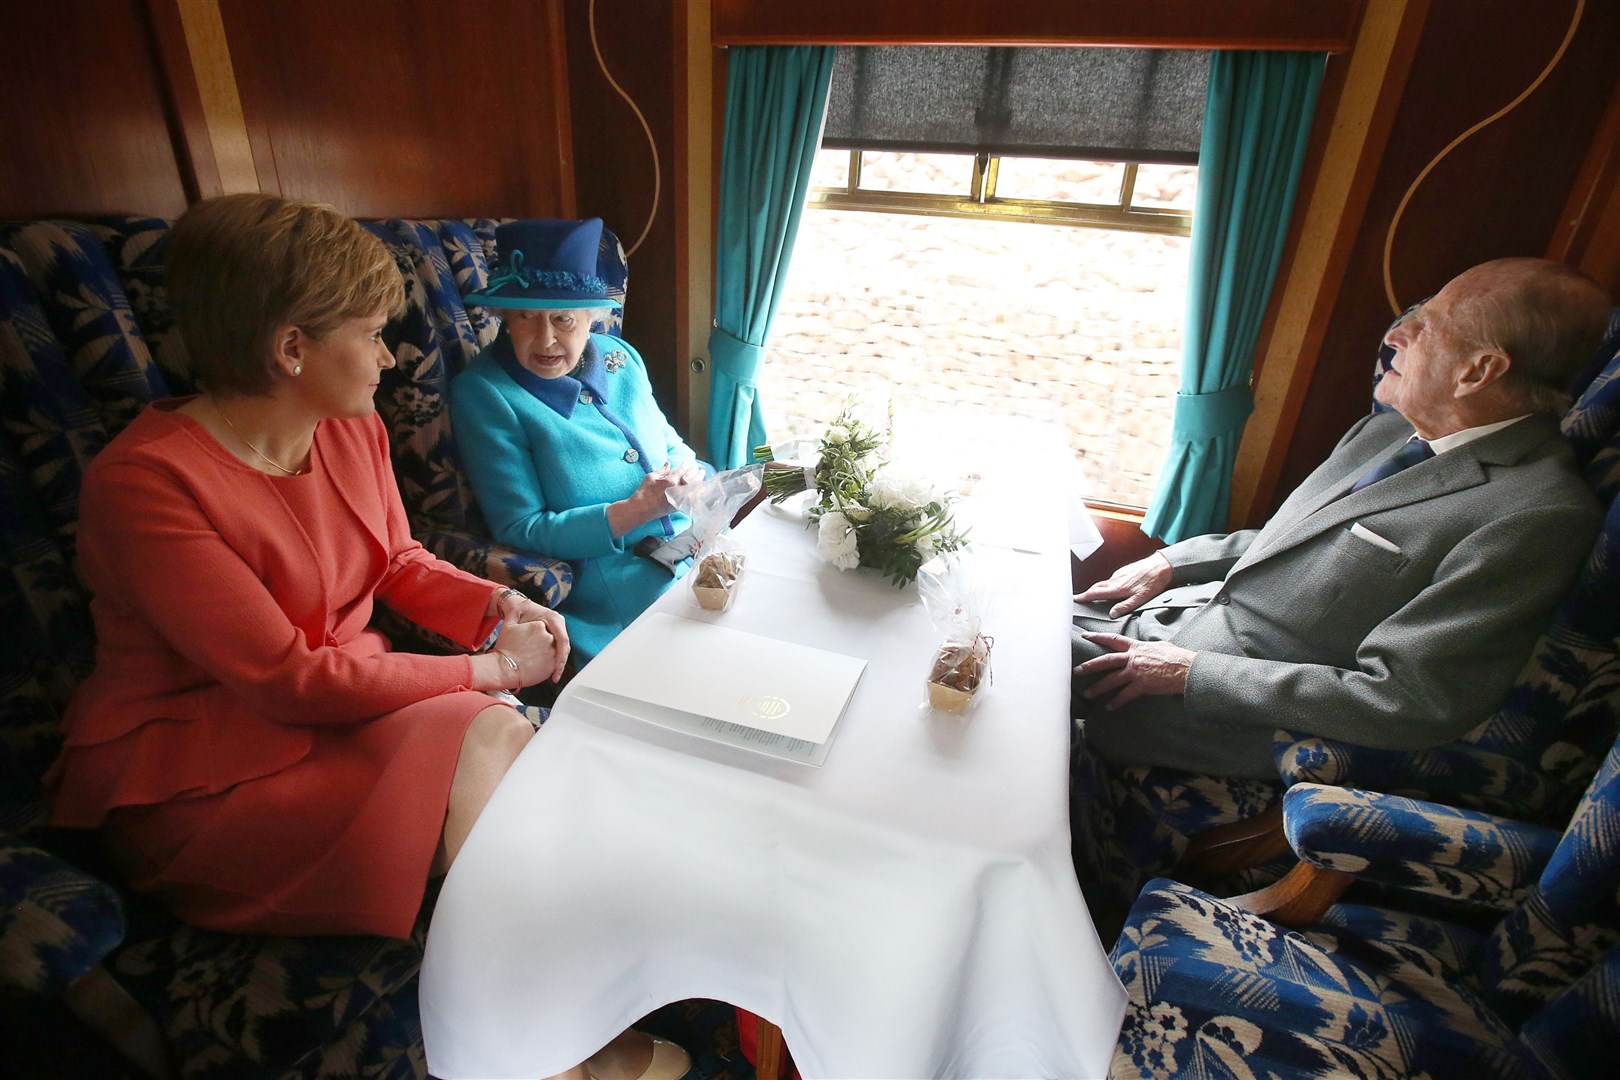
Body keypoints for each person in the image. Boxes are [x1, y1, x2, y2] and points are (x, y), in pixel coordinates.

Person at [44, 194, 685, 1080]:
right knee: (488, 715)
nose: (391, 355)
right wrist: (487, 666)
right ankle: (557, 1053)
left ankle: (545, 1034)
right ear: (291, 348)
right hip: (205, 769)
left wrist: (498, 608)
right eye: (373, 333)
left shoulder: (350, 425)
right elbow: (287, 679)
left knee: (493, 725)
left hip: (341, 711)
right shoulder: (147, 486)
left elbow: (397, 562)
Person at [1072, 257, 1612, 780]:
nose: (1396, 335)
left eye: (1425, 326)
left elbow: (1408, 699)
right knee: (1004, 603)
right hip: (1170, 624)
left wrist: (1191, 673)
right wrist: (1172, 561)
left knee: (1008, 646)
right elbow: (1306, 539)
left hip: (1220, 710)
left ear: (1478, 371)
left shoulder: (1537, 516)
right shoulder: (1385, 432)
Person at [451, 218, 703, 665]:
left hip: (695, 551)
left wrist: (686, 471)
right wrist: (635, 511)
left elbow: (670, 442)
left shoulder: (621, 357)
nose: (545, 339)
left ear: (592, 316)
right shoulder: (485, 393)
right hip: (611, 600)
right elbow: (520, 527)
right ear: (505, 316)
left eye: (563, 319)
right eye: (525, 317)